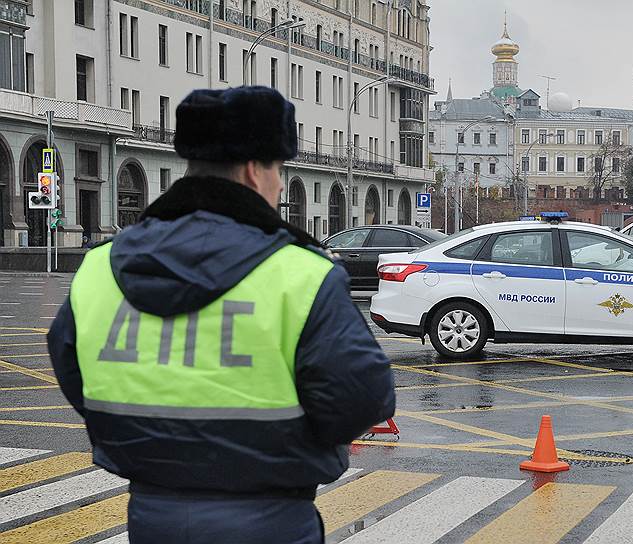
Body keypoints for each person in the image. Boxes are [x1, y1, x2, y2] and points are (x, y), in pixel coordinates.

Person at [47, 86, 395, 544]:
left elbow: (73, 371)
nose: (279, 185)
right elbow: (363, 399)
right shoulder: (301, 274)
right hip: (271, 521)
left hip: (153, 519)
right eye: (279, 169)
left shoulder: (100, 267)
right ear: (253, 170)